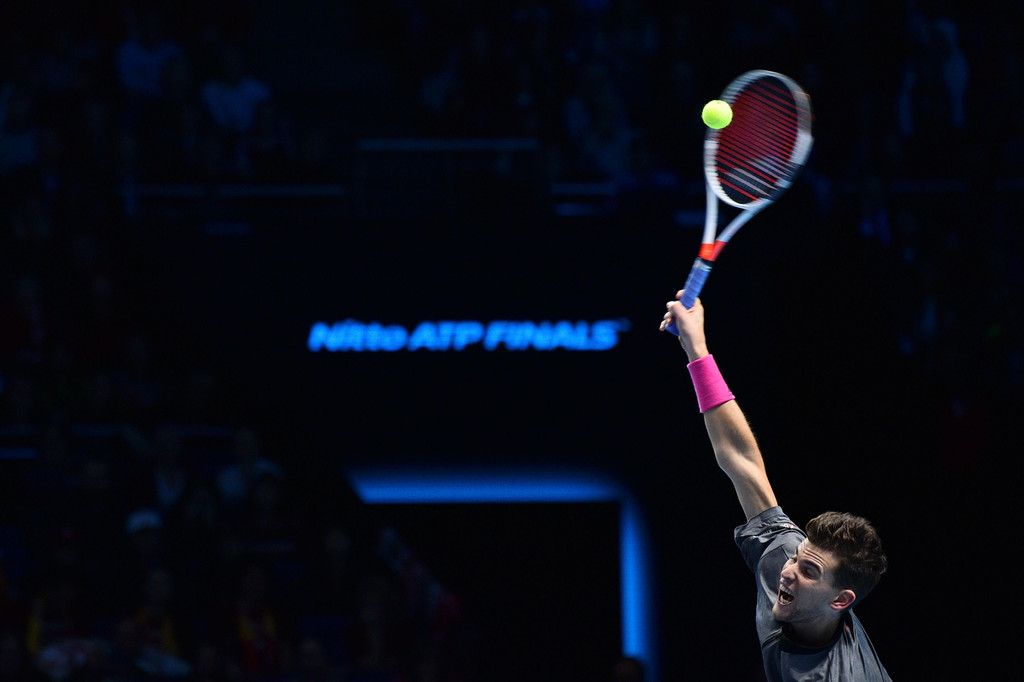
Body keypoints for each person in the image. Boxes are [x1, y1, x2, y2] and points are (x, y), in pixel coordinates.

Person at [661, 292, 891, 682]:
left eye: (808, 571)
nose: (788, 571)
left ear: (840, 600)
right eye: (797, 557)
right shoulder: (785, 562)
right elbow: (741, 459)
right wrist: (696, 347)